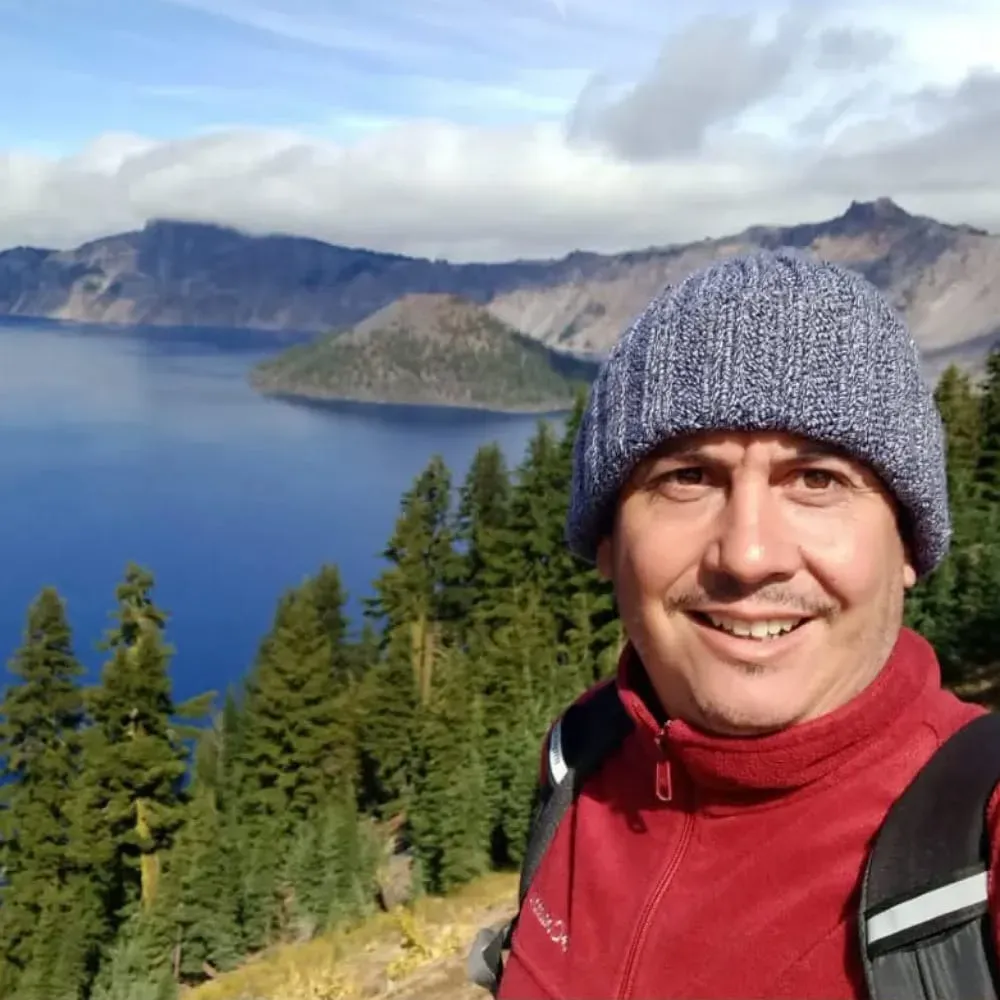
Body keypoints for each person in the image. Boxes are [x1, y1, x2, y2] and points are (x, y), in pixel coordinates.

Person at [493, 248, 1000, 999]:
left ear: (907, 547)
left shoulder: (977, 839)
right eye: (688, 478)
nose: (750, 554)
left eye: (818, 479)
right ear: (607, 543)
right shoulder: (583, 757)